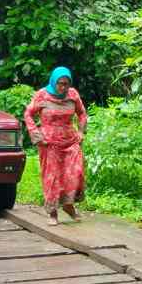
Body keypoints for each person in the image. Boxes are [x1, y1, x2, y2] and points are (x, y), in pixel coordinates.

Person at [24, 67, 88, 226]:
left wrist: (81, 132)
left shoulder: (73, 95)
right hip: (49, 143)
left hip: (70, 140)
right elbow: (28, 114)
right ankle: (52, 212)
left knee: (76, 173)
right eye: (60, 84)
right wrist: (37, 136)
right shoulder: (42, 95)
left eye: (66, 84)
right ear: (54, 82)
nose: (63, 87)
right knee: (52, 177)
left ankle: (68, 205)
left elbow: (82, 113)